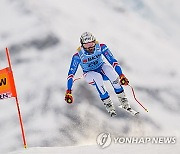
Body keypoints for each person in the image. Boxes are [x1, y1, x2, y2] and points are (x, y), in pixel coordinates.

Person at [65, 32, 133, 117]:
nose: (90, 47)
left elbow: (113, 61)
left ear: (95, 42)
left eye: (92, 44)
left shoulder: (101, 47)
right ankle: (108, 105)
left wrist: (121, 75)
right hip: (89, 74)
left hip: (101, 68)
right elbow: (71, 74)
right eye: (86, 45)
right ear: (82, 45)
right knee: (97, 77)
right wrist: (69, 91)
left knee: (109, 70)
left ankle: (124, 101)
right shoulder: (78, 56)